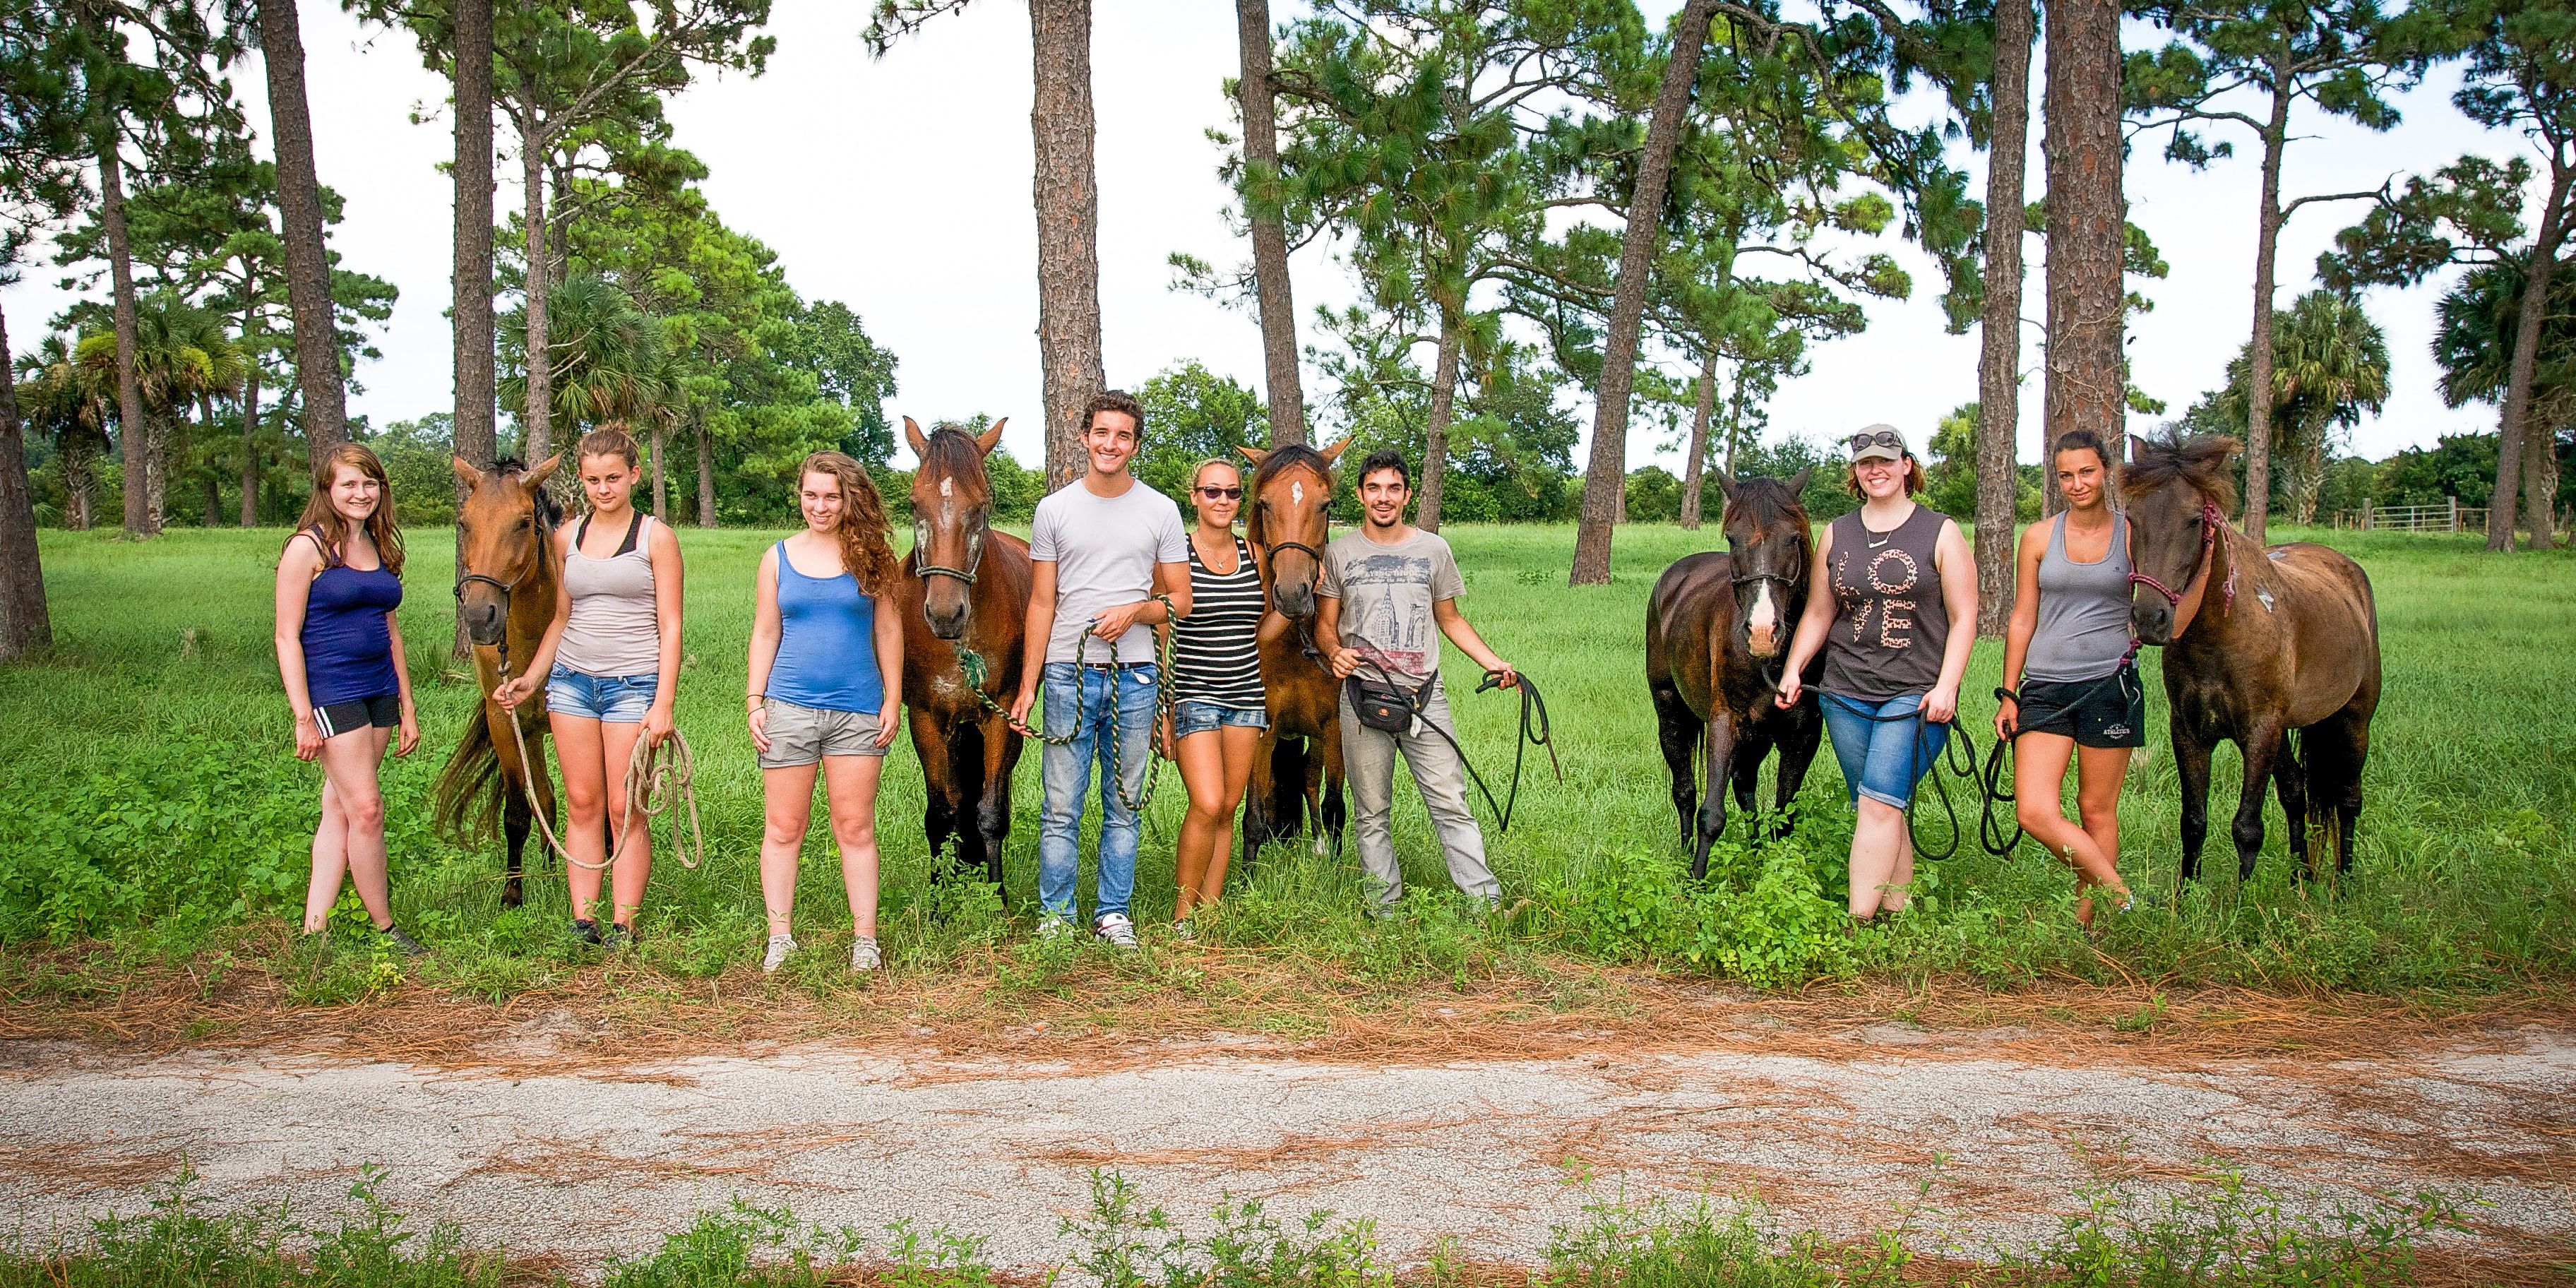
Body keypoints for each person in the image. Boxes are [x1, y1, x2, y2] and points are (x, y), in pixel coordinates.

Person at [1010, 390, 1192, 948]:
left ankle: (1113, 913)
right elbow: (1042, 602)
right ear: (1085, 437)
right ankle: (1056, 915)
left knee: (1124, 806)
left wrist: (1135, 611)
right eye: (1102, 433)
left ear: (1135, 445)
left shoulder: (1160, 510)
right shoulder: (1054, 510)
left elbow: (1180, 600)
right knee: (1060, 807)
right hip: (1068, 673)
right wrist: (1028, 686)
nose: (1111, 444)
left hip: (1135, 675)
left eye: (1123, 436)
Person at [1777, 425, 1978, 924]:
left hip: (1915, 694)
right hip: (1844, 693)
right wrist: (1794, 669)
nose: (1876, 470)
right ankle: (1895, 916)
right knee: (1881, 805)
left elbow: (1965, 617)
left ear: (1906, 465)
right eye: (1866, 463)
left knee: (1878, 805)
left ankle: (1857, 926)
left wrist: (1947, 686)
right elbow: (1820, 611)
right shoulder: (1838, 533)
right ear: (1856, 472)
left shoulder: (1940, 532)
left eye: (1886, 460)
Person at [492, 427, 684, 948]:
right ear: (581, 479)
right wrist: (532, 679)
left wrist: (663, 702)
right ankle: (584, 921)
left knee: (626, 808)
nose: (604, 489)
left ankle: (625, 923)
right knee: (582, 803)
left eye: (614, 478)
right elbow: (561, 617)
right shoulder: (566, 538)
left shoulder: (656, 538)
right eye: (594, 480)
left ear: (634, 476)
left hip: (633, 685)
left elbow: (671, 626)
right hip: (572, 684)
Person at [1316, 449, 1519, 914]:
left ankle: (1485, 905)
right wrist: (1334, 652)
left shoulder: (1433, 550)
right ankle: (1383, 909)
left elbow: (1450, 619)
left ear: (1407, 495)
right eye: (1374, 488)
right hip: (1362, 698)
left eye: (1393, 488)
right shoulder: (1340, 553)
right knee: (1371, 812)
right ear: (1361, 495)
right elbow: (1326, 625)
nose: (1383, 498)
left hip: (1425, 698)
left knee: (1451, 801)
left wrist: (1493, 662)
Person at [746, 451, 905, 974]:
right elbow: (766, 631)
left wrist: (892, 698)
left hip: (857, 712)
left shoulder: (873, 557)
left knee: (855, 827)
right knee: (783, 827)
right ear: (800, 495)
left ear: (849, 499)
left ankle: (865, 941)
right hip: (788, 708)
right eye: (811, 495)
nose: (820, 506)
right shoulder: (777, 557)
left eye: (831, 496)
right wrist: (754, 700)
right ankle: (780, 938)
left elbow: (888, 630)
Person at [273, 442, 424, 953]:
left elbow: (392, 631)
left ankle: (313, 930)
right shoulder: (307, 549)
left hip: (380, 689)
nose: (361, 493)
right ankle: (385, 928)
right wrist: (303, 717)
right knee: (367, 808)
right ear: (328, 489)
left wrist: (407, 705)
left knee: (338, 807)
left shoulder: (376, 545)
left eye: (369, 484)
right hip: (332, 691)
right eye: (349, 484)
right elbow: (286, 637)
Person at [1997, 429, 2142, 926]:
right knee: (2034, 811)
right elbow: (2022, 618)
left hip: (2110, 686)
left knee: (2096, 809)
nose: (2077, 484)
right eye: (2066, 476)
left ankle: (2087, 926)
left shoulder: (2132, 535)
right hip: (2045, 687)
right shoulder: (2038, 538)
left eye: (2086, 472)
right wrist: (2009, 694)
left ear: (2106, 471)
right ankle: (2118, 892)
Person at [1163, 458, 1266, 935]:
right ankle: (1183, 917)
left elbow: (1262, 628)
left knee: (1228, 807)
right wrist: (1162, 709)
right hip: (1194, 694)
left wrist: (1299, 601)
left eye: (1232, 493)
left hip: (1246, 696)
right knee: (1206, 802)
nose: (1223, 500)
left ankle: (1210, 911)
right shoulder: (1176, 555)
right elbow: (1162, 632)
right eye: (1212, 492)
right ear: (1194, 497)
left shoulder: (1255, 555)